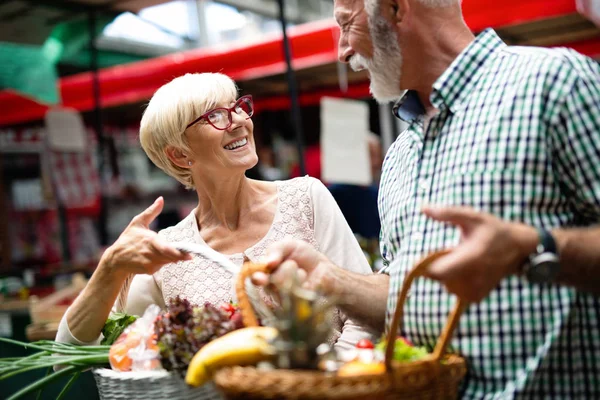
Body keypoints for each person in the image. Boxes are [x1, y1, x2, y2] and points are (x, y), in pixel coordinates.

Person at [256, 0, 600, 398]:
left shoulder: (554, 82)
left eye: (347, 25)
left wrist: (535, 249)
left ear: (396, 9)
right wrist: (331, 280)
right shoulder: (401, 153)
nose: (343, 51)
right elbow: (404, 296)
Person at [55, 73, 377, 352]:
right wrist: (111, 266)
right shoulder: (170, 254)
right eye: (216, 115)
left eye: (238, 107)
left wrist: (326, 379)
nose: (238, 120)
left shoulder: (306, 199)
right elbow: (70, 352)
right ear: (180, 155)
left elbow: (369, 311)